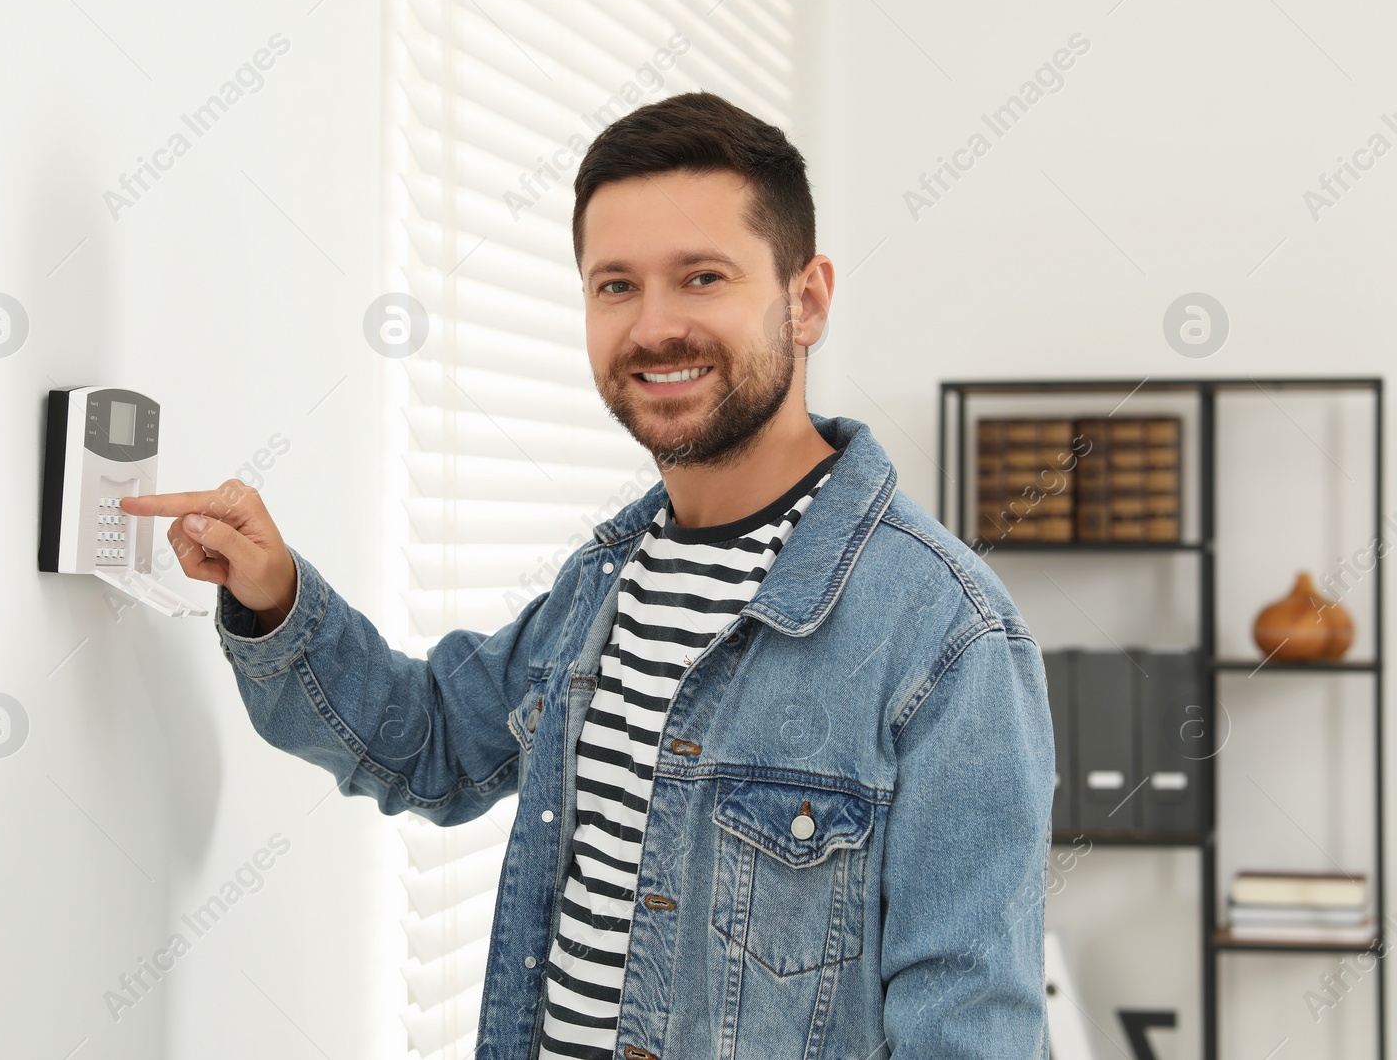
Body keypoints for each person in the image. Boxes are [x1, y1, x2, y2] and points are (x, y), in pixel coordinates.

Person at [122, 90, 1053, 1060]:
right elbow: (431, 743)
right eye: (615, 285)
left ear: (806, 297)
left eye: (700, 276)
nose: (653, 327)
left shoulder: (948, 641)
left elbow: (969, 1030)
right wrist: (272, 596)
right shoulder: (608, 581)